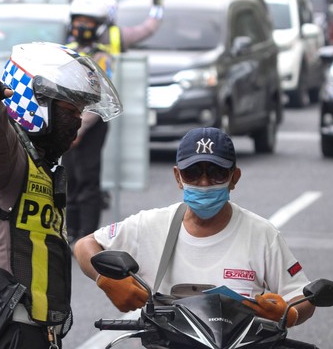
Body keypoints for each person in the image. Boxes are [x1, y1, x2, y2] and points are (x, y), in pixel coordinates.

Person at [0, 42, 123, 349]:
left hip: (31, 333)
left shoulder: (41, 166)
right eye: (71, 110)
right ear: (37, 102)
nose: (79, 120)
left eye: (82, 111)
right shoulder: (6, 159)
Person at [74, 127, 316, 327]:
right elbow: (85, 245)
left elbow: (302, 295)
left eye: (216, 173)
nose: (204, 183)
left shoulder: (262, 235)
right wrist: (106, 279)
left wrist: (289, 314)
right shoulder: (149, 225)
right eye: (192, 173)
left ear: (235, 178)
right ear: (178, 177)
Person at [64, 0, 163, 243]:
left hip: (93, 120)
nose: (81, 27)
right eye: (77, 21)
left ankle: (85, 236)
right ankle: (70, 232)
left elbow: (97, 97)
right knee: (69, 177)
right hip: (69, 121)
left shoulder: (108, 47)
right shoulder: (68, 46)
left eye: (87, 22)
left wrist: (158, 6)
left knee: (87, 178)